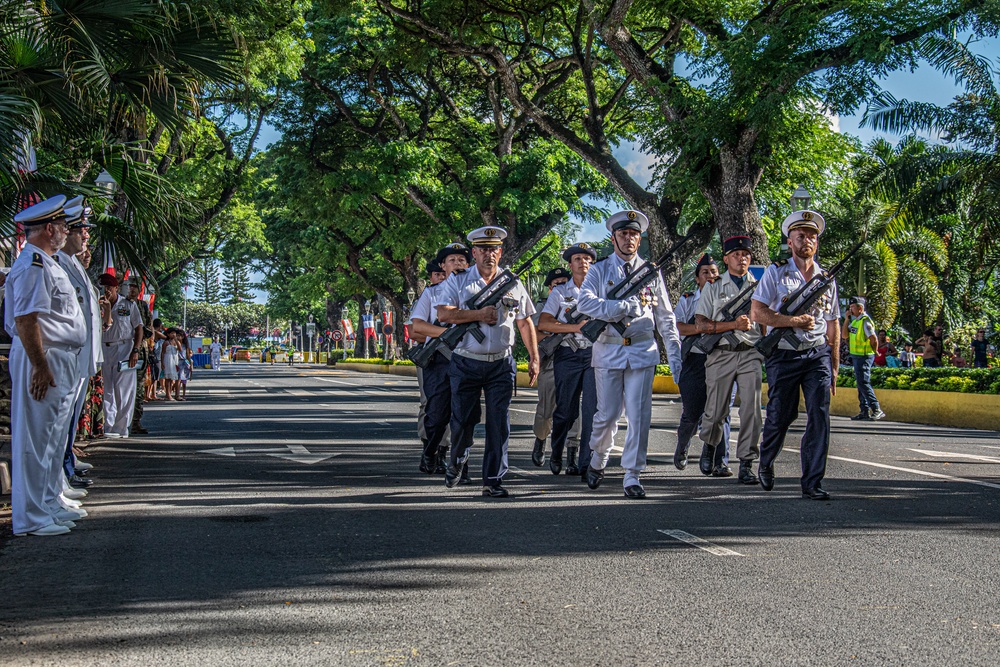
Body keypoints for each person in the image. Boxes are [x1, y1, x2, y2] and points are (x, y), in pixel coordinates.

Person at [577, 210, 683, 498]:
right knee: (607, 414)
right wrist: (619, 308)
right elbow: (584, 303)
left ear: (640, 238)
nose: (629, 239)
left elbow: (666, 317)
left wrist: (675, 357)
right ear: (614, 238)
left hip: (641, 348)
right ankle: (598, 458)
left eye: (634, 234)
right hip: (609, 348)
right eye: (623, 234)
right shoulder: (599, 270)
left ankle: (632, 474)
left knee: (639, 415)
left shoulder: (650, 272)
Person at [436, 226, 539, 498]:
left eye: (493, 249)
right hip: (466, 361)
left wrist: (534, 356)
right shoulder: (458, 281)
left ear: (500, 252)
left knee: (499, 424)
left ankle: (493, 479)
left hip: (500, 364)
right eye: (483, 249)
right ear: (474, 253)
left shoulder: (512, 282)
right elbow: (444, 315)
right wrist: (477, 314)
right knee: (463, 421)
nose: (488, 254)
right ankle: (457, 458)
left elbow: (525, 320)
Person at [7, 195, 88, 536]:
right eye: (63, 226)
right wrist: (40, 366)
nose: (67, 232)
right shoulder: (33, 265)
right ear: (50, 229)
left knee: (53, 438)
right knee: (35, 439)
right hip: (43, 355)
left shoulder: (48, 262)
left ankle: (48, 502)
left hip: (59, 356)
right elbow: (26, 320)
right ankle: (31, 516)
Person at [751, 209, 841, 500]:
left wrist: (835, 363)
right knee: (781, 415)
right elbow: (758, 312)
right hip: (784, 354)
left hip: (817, 355)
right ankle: (766, 461)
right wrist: (793, 321)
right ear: (790, 242)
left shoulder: (826, 279)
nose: (807, 241)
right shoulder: (776, 272)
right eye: (801, 236)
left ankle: (812, 482)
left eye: (812, 236)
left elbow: (833, 322)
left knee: (819, 415)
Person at [695, 235, 764, 483]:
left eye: (745, 254)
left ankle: (746, 462)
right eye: (736, 254)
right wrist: (732, 324)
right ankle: (710, 446)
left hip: (749, 353)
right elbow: (701, 323)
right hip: (721, 353)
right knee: (715, 411)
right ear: (726, 259)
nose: (741, 258)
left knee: (751, 411)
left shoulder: (760, 287)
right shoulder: (713, 287)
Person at [537, 243, 598, 476]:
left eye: (587, 258)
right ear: (570, 264)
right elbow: (544, 323)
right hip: (568, 354)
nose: (583, 262)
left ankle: (586, 462)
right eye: (577, 259)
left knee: (591, 409)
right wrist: (575, 327)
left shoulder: (601, 291)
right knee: (565, 410)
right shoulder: (561, 292)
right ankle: (556, 450)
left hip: (594, 355)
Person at [411, 245, 471, 476]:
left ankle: (459, 464)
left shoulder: (476, 291)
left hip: (467, 357)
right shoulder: (432, 292)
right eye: (451, 260)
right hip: (438, 360)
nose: (457, 263)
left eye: (461, 260)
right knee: (436, 414)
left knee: (463, 413)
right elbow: (418, 325)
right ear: (443, 267)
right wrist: (447, 333)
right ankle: (431, 450)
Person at [55, 202, 102, 491]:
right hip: (62, 355)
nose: (86, 236)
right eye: (81, 230)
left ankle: (65, 469)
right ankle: (61, 476)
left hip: (78, 354)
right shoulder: (57, 263)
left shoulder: (72, 264)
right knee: (57, 423)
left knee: (67, 421)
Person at [673, 254, 726, 471]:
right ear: (697, 279)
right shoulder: (687, 300)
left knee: (719, 412)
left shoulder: (726, 300)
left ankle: (717, 461)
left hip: (721, 357)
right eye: (705, 272)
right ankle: (683, 446)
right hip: (694, 360)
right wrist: (701, 328)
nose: (711, 276)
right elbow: (677, 327)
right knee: (692, 412)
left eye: (714, 272)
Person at [531, 266, 571, 467]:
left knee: (575, 407)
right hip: (551, 361)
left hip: (573, 359)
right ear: (549, 288)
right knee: (546, 407)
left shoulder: (578, 303)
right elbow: (535, 333)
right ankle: (540, 440)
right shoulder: (540, 307)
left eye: (565, 282)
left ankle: (572, 451)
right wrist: (557, 334)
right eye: (557, 284)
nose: (561, 286)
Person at [99, 272, 143, 438]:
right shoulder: (99, 305)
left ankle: (121, 428)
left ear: (116, 288)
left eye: (109, 287)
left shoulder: (128, 305)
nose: (106, 290)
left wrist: (136, 350)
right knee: (106, 390)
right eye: (104, 287)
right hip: (104, 348)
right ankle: (108, 427)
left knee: (123, 390)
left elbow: (138, 327)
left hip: (124, 348)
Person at [843, 296, 884, 421]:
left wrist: (875, 351)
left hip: (864, 356)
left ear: (860, 308)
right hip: (856, 356)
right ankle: (864, 410)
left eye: (853, 307)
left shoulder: (865, 321)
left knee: (863, 382)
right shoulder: (855, 321)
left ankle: (876, 408)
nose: (851, 310)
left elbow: (873, 338)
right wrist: (846, 319)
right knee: (860, 383)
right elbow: (845, 335)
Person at [126, 277, 152, 434]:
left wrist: (139, 331)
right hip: (122, 348)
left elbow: (148, 329)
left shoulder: (142, 306)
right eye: (130, 286)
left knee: (139, 388)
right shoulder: (122, 303)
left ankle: (135, 421)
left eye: (135, 286)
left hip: (140, 350)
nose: (132, 289)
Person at [160, 329, 182, 399]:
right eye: (172, 333)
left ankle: (170, 394)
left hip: (174, 360)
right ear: (168, 334)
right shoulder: (166, 342)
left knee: (172, 378)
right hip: (168, 359)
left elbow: (180, 349)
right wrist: (162, 363)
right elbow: (163, 352)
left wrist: (176, 341)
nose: (173, 335)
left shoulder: (177, 342)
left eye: (174, 333)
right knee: (168, 378)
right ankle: (168, 394)